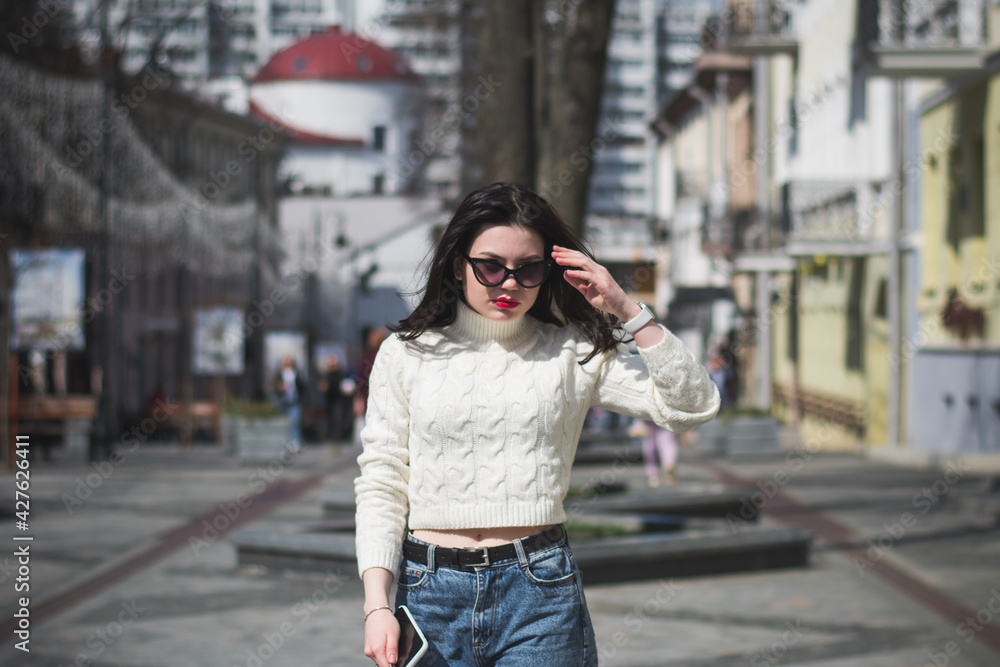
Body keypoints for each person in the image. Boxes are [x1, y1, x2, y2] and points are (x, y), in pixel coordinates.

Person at [355, 183, 720, 666]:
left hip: (539, 592)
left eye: (527, 270)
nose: (508, 284)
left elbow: (692, 406)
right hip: (429, 593)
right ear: (458, 263)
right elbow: (382, 481)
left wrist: (628, 311)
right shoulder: (406, 353)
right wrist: (377, 605)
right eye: (489, 267)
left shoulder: (572, 352)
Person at [273, 355, 305, 451]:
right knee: (284, 423)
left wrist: (301, 398)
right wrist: (279, 389)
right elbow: (275, 387)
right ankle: (285, 443)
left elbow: (302, 387)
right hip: (283, 401)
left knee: (295, 422)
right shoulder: (279, 374)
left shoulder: (296, 373)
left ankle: (295, 442)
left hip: (294, 401)